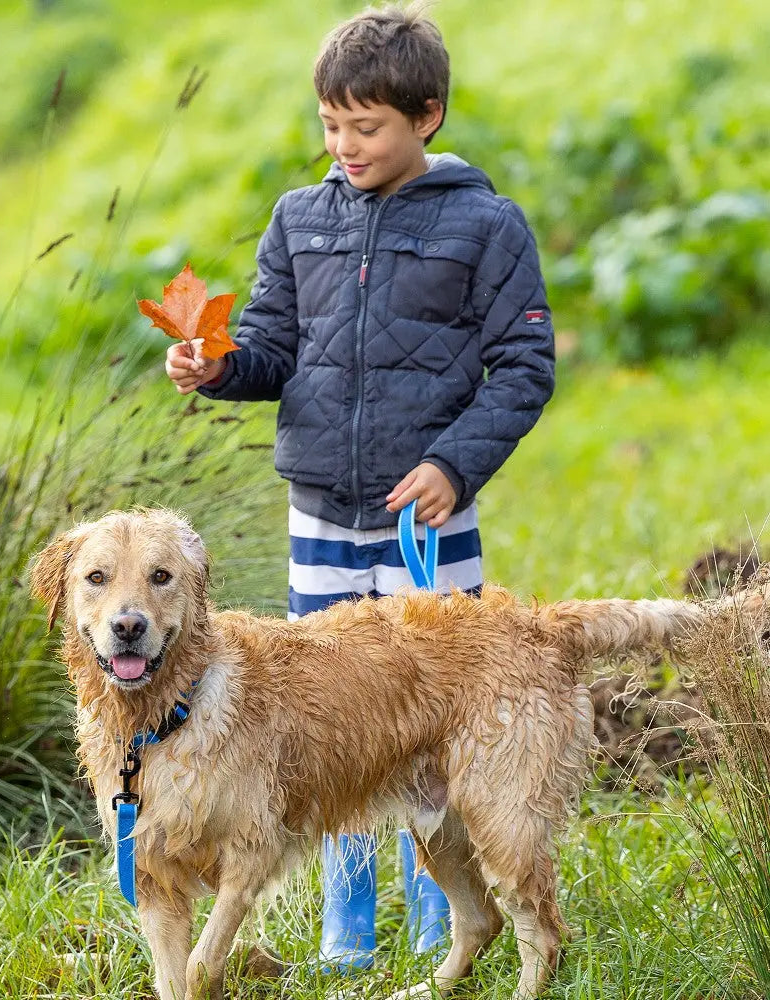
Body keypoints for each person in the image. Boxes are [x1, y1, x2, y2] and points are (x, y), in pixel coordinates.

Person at [163, 1, 554, 974]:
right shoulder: (299, 219)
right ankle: (349, 919)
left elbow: (524, 366)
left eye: (365, 127)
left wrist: (453, 464)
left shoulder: (485, 225)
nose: (343, 145)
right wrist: (219, 369)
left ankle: (444, 908)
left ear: (426, 117)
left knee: (426, 713)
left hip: (426, 522)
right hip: (320, 519)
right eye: (330, 124)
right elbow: (270, 350)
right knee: (330, 720)